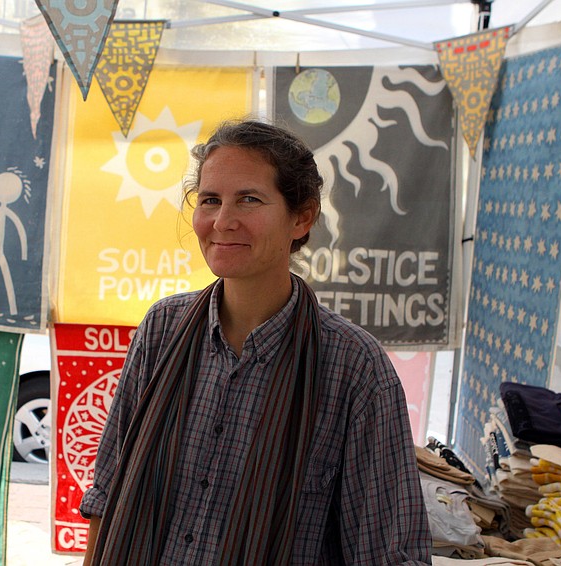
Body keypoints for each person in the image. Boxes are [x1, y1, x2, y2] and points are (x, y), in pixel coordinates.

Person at [79, 118, 432, 565]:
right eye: (210, 200)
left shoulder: (353, 366)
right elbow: (107, 490)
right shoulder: (162, 329)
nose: (222, 221)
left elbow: (387, 550)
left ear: (301, 217)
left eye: (248, 199)